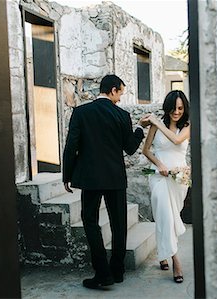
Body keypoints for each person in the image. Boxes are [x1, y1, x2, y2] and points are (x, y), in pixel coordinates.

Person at [62, 74, 150, 289]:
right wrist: (139, 128)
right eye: (120, 92)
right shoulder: (121, 115)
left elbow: (71, 144)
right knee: (119, 224)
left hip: (90, 178)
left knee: (90, 221)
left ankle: (102, 273)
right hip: (115, 177)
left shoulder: (81, 112)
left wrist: (67, 175)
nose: (120, 98)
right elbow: (129, 148)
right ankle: (117, 271)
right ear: (112, 90)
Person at [142, 90, 190, 283]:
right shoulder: (156, 126)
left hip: (179, 179)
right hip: (159, 177)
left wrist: (157, 122)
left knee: (170, 216)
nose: (176, 112)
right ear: (167, 107)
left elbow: (177, 140)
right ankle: (175, 261)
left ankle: (162, 253)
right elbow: (146, 150)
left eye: (180, 108)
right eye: (173, 108)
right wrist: (159, 164)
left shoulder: (187, 126)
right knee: (165, 216)